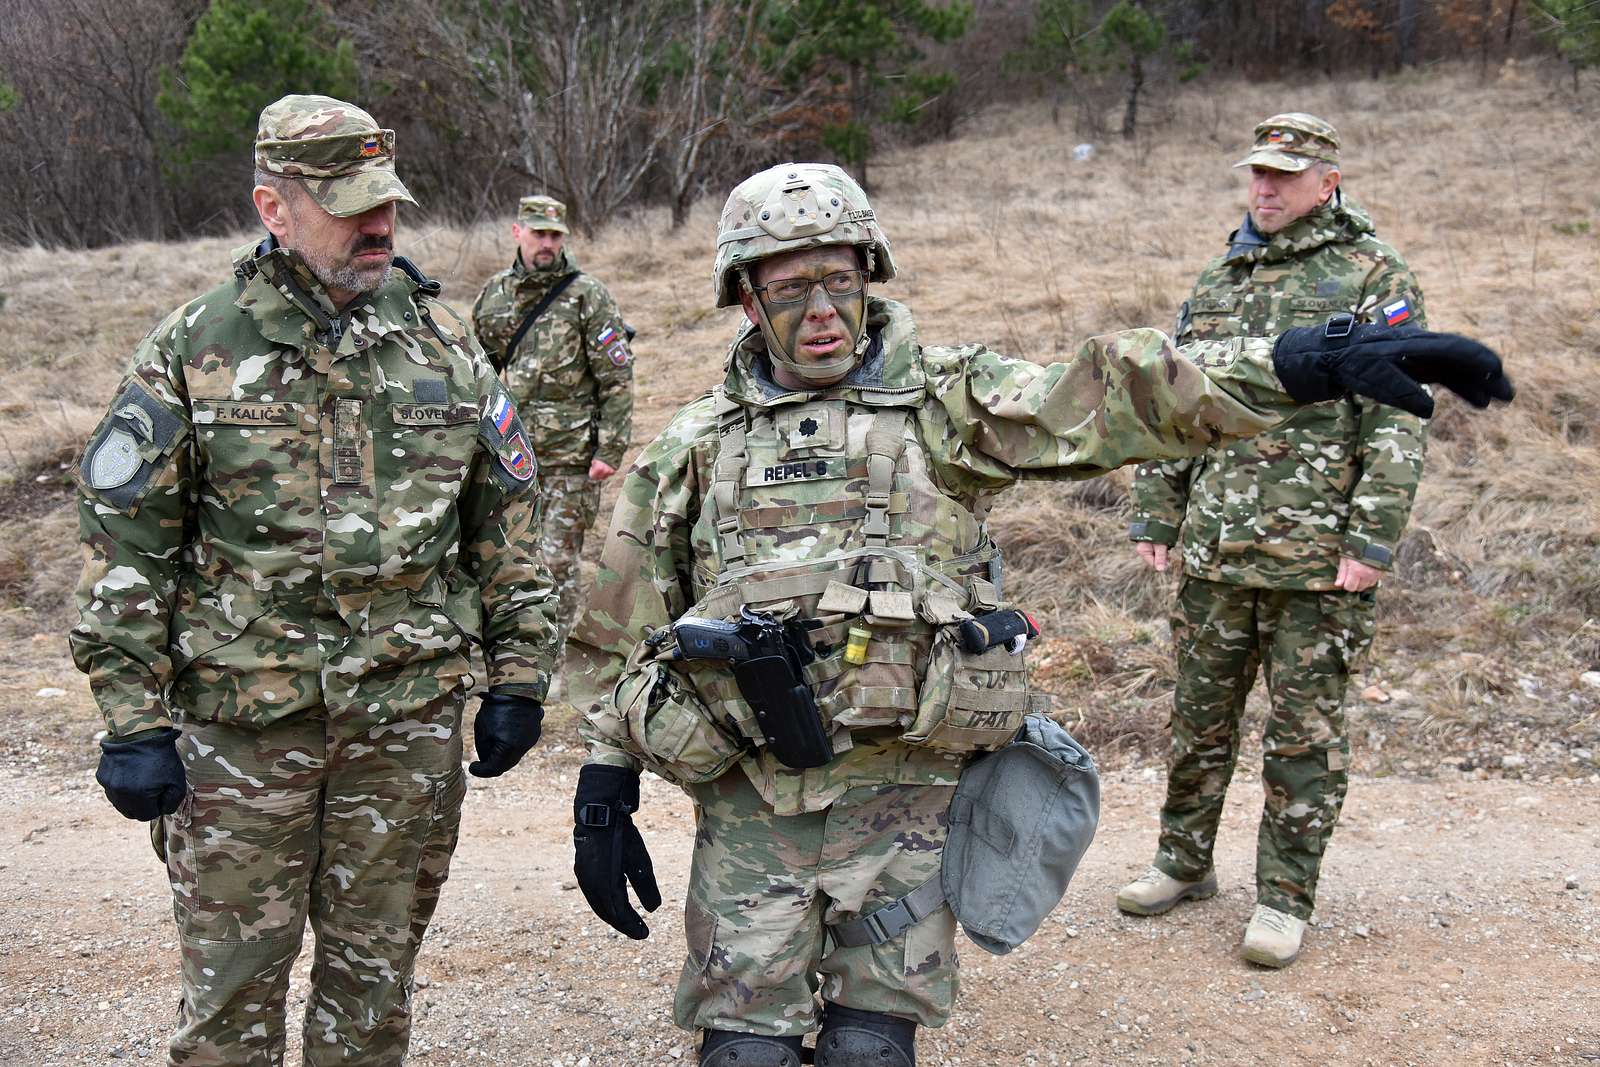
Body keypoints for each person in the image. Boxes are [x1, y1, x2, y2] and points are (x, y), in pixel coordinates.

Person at [562, 162, 1510, 1067]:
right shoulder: (691, 449)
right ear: (745, 296)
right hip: (751, 811)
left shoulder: (946, 406)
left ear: (869, 279)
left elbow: (1102, 399)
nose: (821, 313)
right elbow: (618, 627)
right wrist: (604, 788)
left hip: (905, 813)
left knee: (870, 1046)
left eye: (840, 281)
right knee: (743, 1050)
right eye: (791, 287)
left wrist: (1298, 363)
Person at [70, 94, 560, 1066]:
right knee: (228, 1005)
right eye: (350, 203)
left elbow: (504, 528)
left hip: (403, 730)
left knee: (371, 1002)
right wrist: (132, 720)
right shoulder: (192, 351)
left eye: (386, 200)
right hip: (242, 738)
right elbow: (129, 550)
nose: (379, 222)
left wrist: (519, 677)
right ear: (273, 206)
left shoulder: (443, 347)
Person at [1117, 113, 1430, 969]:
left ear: (1328, 181)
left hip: (1317, 565)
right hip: (1217, 551)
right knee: (1198, 720)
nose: (1265, 188)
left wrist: (1371, 539)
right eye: (1257, 173)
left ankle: (1285, 898)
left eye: (1285, 176)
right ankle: (1183, 862)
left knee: (1303, 737)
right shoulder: (1220, 277)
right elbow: (1175, 403)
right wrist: (1158, 509)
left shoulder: (1371, 275)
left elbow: (1398, 418)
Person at [472, 195, 634, 649]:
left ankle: (555, 654)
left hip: (571, 459)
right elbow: (478, 373)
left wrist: (609, 451)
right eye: (538, 233)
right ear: (517, 232)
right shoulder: (494, 295)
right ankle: (512, 646)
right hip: (510, 456)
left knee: (558, 561)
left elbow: (616, 378)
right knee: (506, 557)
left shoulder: (588, 295)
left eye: (554, 235)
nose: (546, 243)